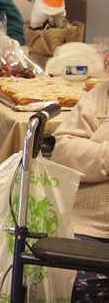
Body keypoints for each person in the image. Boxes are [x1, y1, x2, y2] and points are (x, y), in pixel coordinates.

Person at [50, 78, 109, 301]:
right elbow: (61, 149)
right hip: (91, 227)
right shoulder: (101, 96)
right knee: (81, 284)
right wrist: (105, 158)